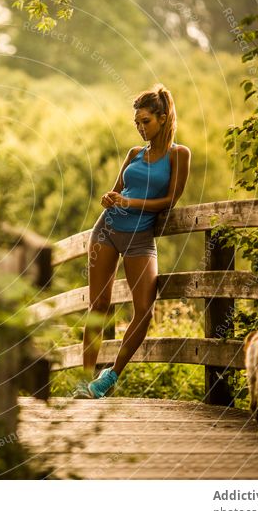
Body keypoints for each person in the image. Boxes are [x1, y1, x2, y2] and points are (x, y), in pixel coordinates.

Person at [73, 84, 191, 398]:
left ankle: (109, 376)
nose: (140, 128)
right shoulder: (134, 154)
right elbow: (116, 192)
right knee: (99, 306)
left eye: (146, 121)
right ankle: (85, 381)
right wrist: (110, 199)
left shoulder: (179, 154)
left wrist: (131, 204)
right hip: (107, 231)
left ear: (163, 119)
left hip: (140, 237)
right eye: (137, 123)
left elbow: (169, 200)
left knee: (145, 309)